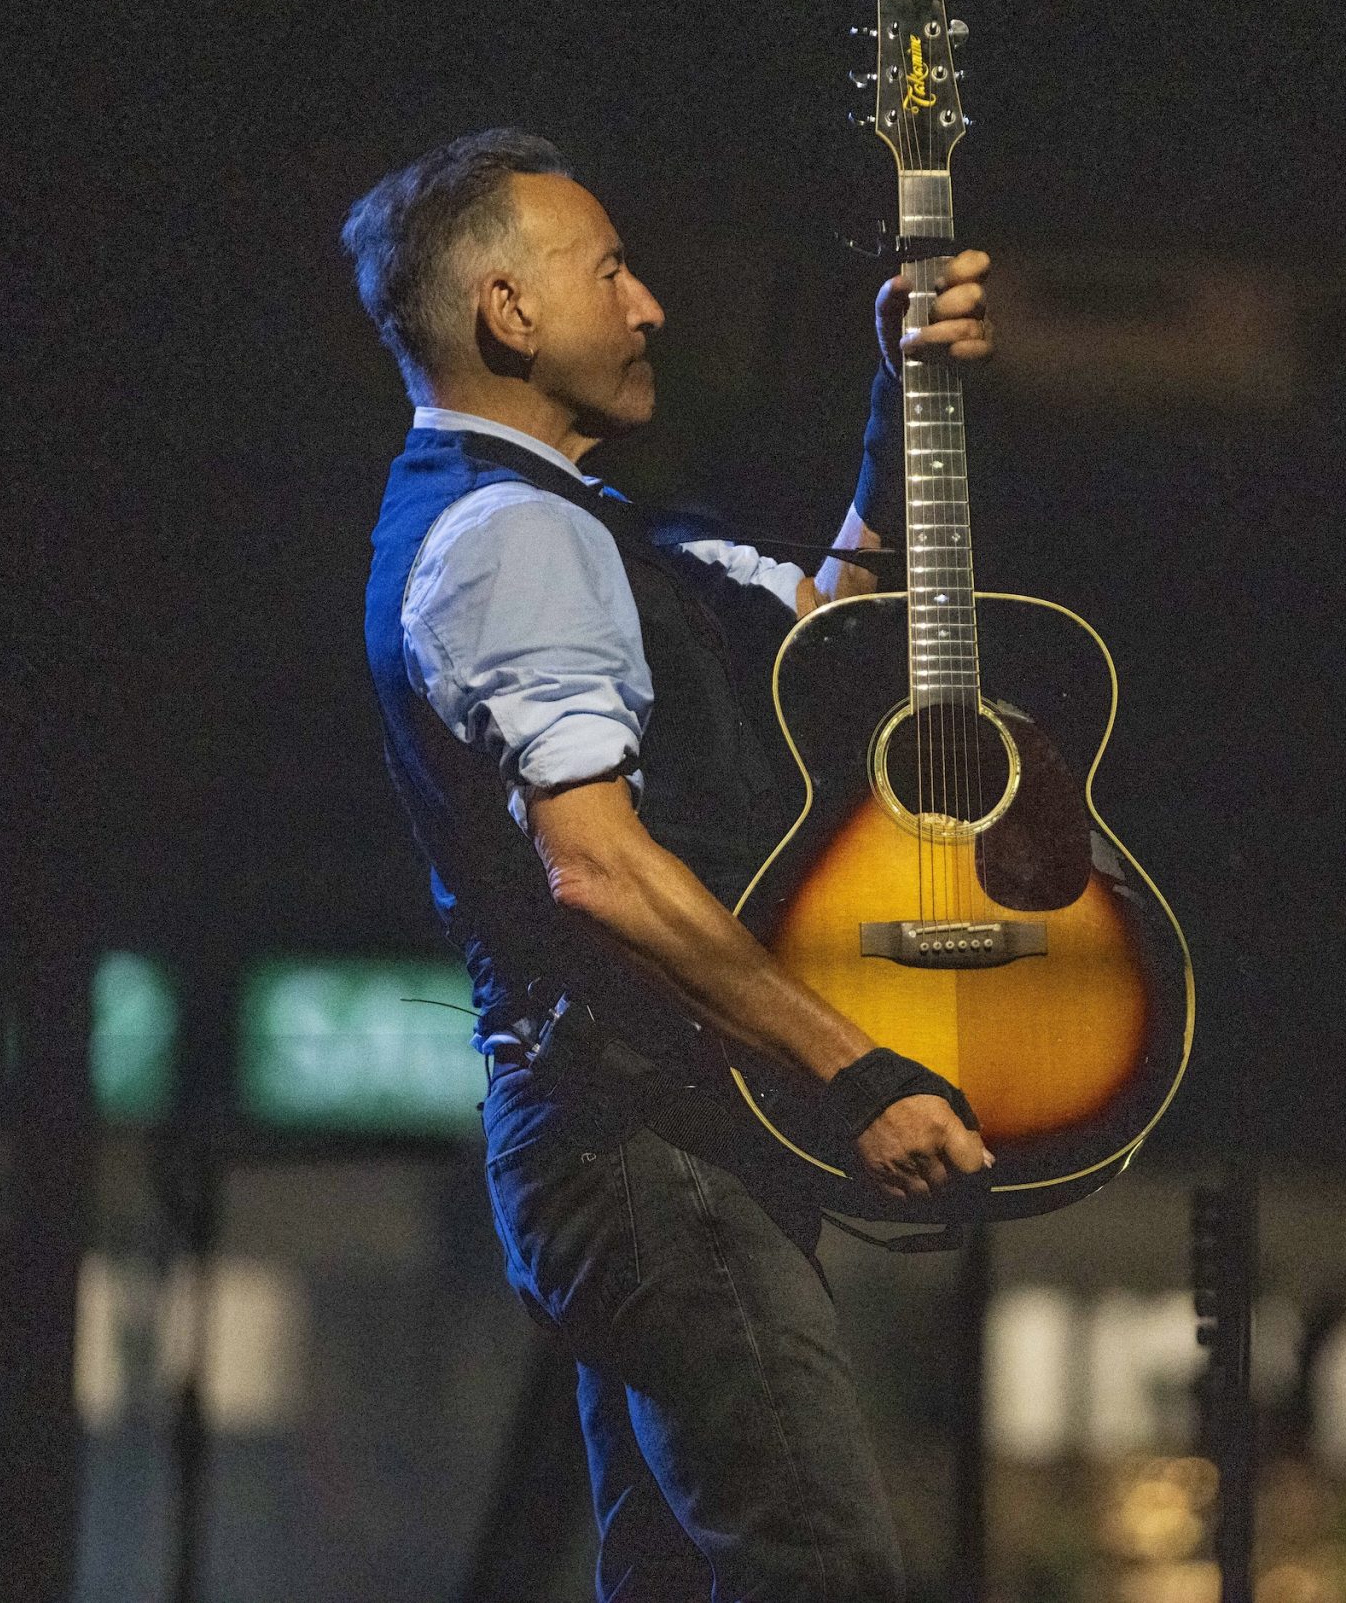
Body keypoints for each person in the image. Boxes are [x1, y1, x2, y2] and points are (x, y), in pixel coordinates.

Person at [344, 128, 996, 1601]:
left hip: (667, 1149)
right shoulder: (510, 538)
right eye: (612, 270)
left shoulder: (589, 533)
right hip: (644, 1149)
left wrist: (911, 393)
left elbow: (834, 622)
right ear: (507, 313)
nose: (650, 307)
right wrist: (860, 1069)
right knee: (816, 1573)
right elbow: (599, 870)